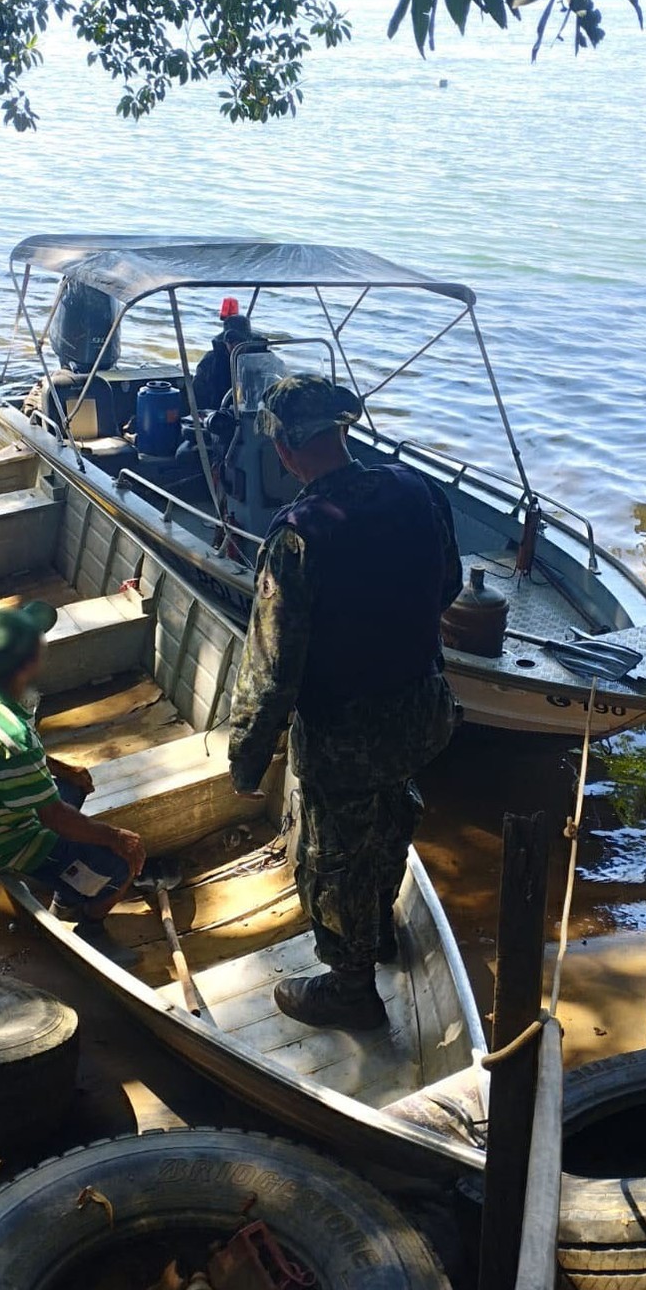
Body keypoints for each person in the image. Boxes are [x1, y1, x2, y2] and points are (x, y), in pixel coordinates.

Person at [228, 374, 463, 1031]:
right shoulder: (417, 489)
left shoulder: (298, 536)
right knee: (389, 819)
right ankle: (377, 930)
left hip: (346, 733)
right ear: (344, 429)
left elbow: (273, 671)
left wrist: (247, 759)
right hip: (421, 710)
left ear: (285, 451)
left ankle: (350, 985)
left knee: (331, 854)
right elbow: (450, 582)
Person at [0, 601, 146, 960]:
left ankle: (70, 888)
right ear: (29, 664)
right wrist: (118, 838)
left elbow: (17, 765)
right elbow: (53, 817)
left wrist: (65, 770)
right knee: (122, 863)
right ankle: (90, 926)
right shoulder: (13, 739)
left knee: (74, 784)